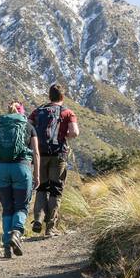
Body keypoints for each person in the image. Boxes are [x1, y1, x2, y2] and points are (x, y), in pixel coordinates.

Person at [0, 100, 40, 258]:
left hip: (1, 169)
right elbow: (36, 153)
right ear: (22, 113)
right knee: (21, 207)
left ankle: (7, 244)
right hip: (21, 168)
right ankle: (16, 232)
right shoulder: (29, 127)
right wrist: (36, 175)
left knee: (7, 208)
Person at [29, 84, 79, 235]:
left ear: (49, 96)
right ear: (62, 97)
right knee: (56, 190)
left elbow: (28, 129)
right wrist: (64, 136)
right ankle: (51, 227)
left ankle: (38, 219)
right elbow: (75, 132)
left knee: (41, 187)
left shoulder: (37, 111)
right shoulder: (68, 113)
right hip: (59, 154)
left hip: (40, 154)